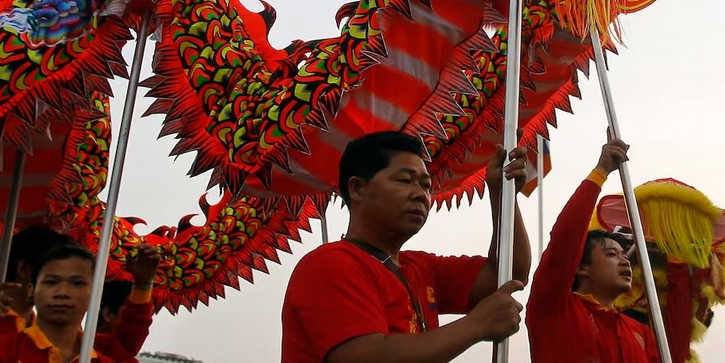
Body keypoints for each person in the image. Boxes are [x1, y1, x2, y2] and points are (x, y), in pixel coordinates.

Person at [281, 131, 531, 362]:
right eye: (404, 180)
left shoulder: (421, 267)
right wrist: (474, 325)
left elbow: (508, 273)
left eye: (425, 185)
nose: (420, 194)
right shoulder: (330, 264)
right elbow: (365, 357)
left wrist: (502, 196)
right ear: (357, 188)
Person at [525, 137, 661, 362]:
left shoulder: (642, 334)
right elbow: (565, 239)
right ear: (581, 268)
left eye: (623, 254)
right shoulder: (554, 308)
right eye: (611, 254)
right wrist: (601, 172)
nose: (626, 261)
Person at [0, 243, 115, 362]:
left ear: (96, 292)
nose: (62, 293)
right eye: (51, 282)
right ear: (31, 289)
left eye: (77, 283)